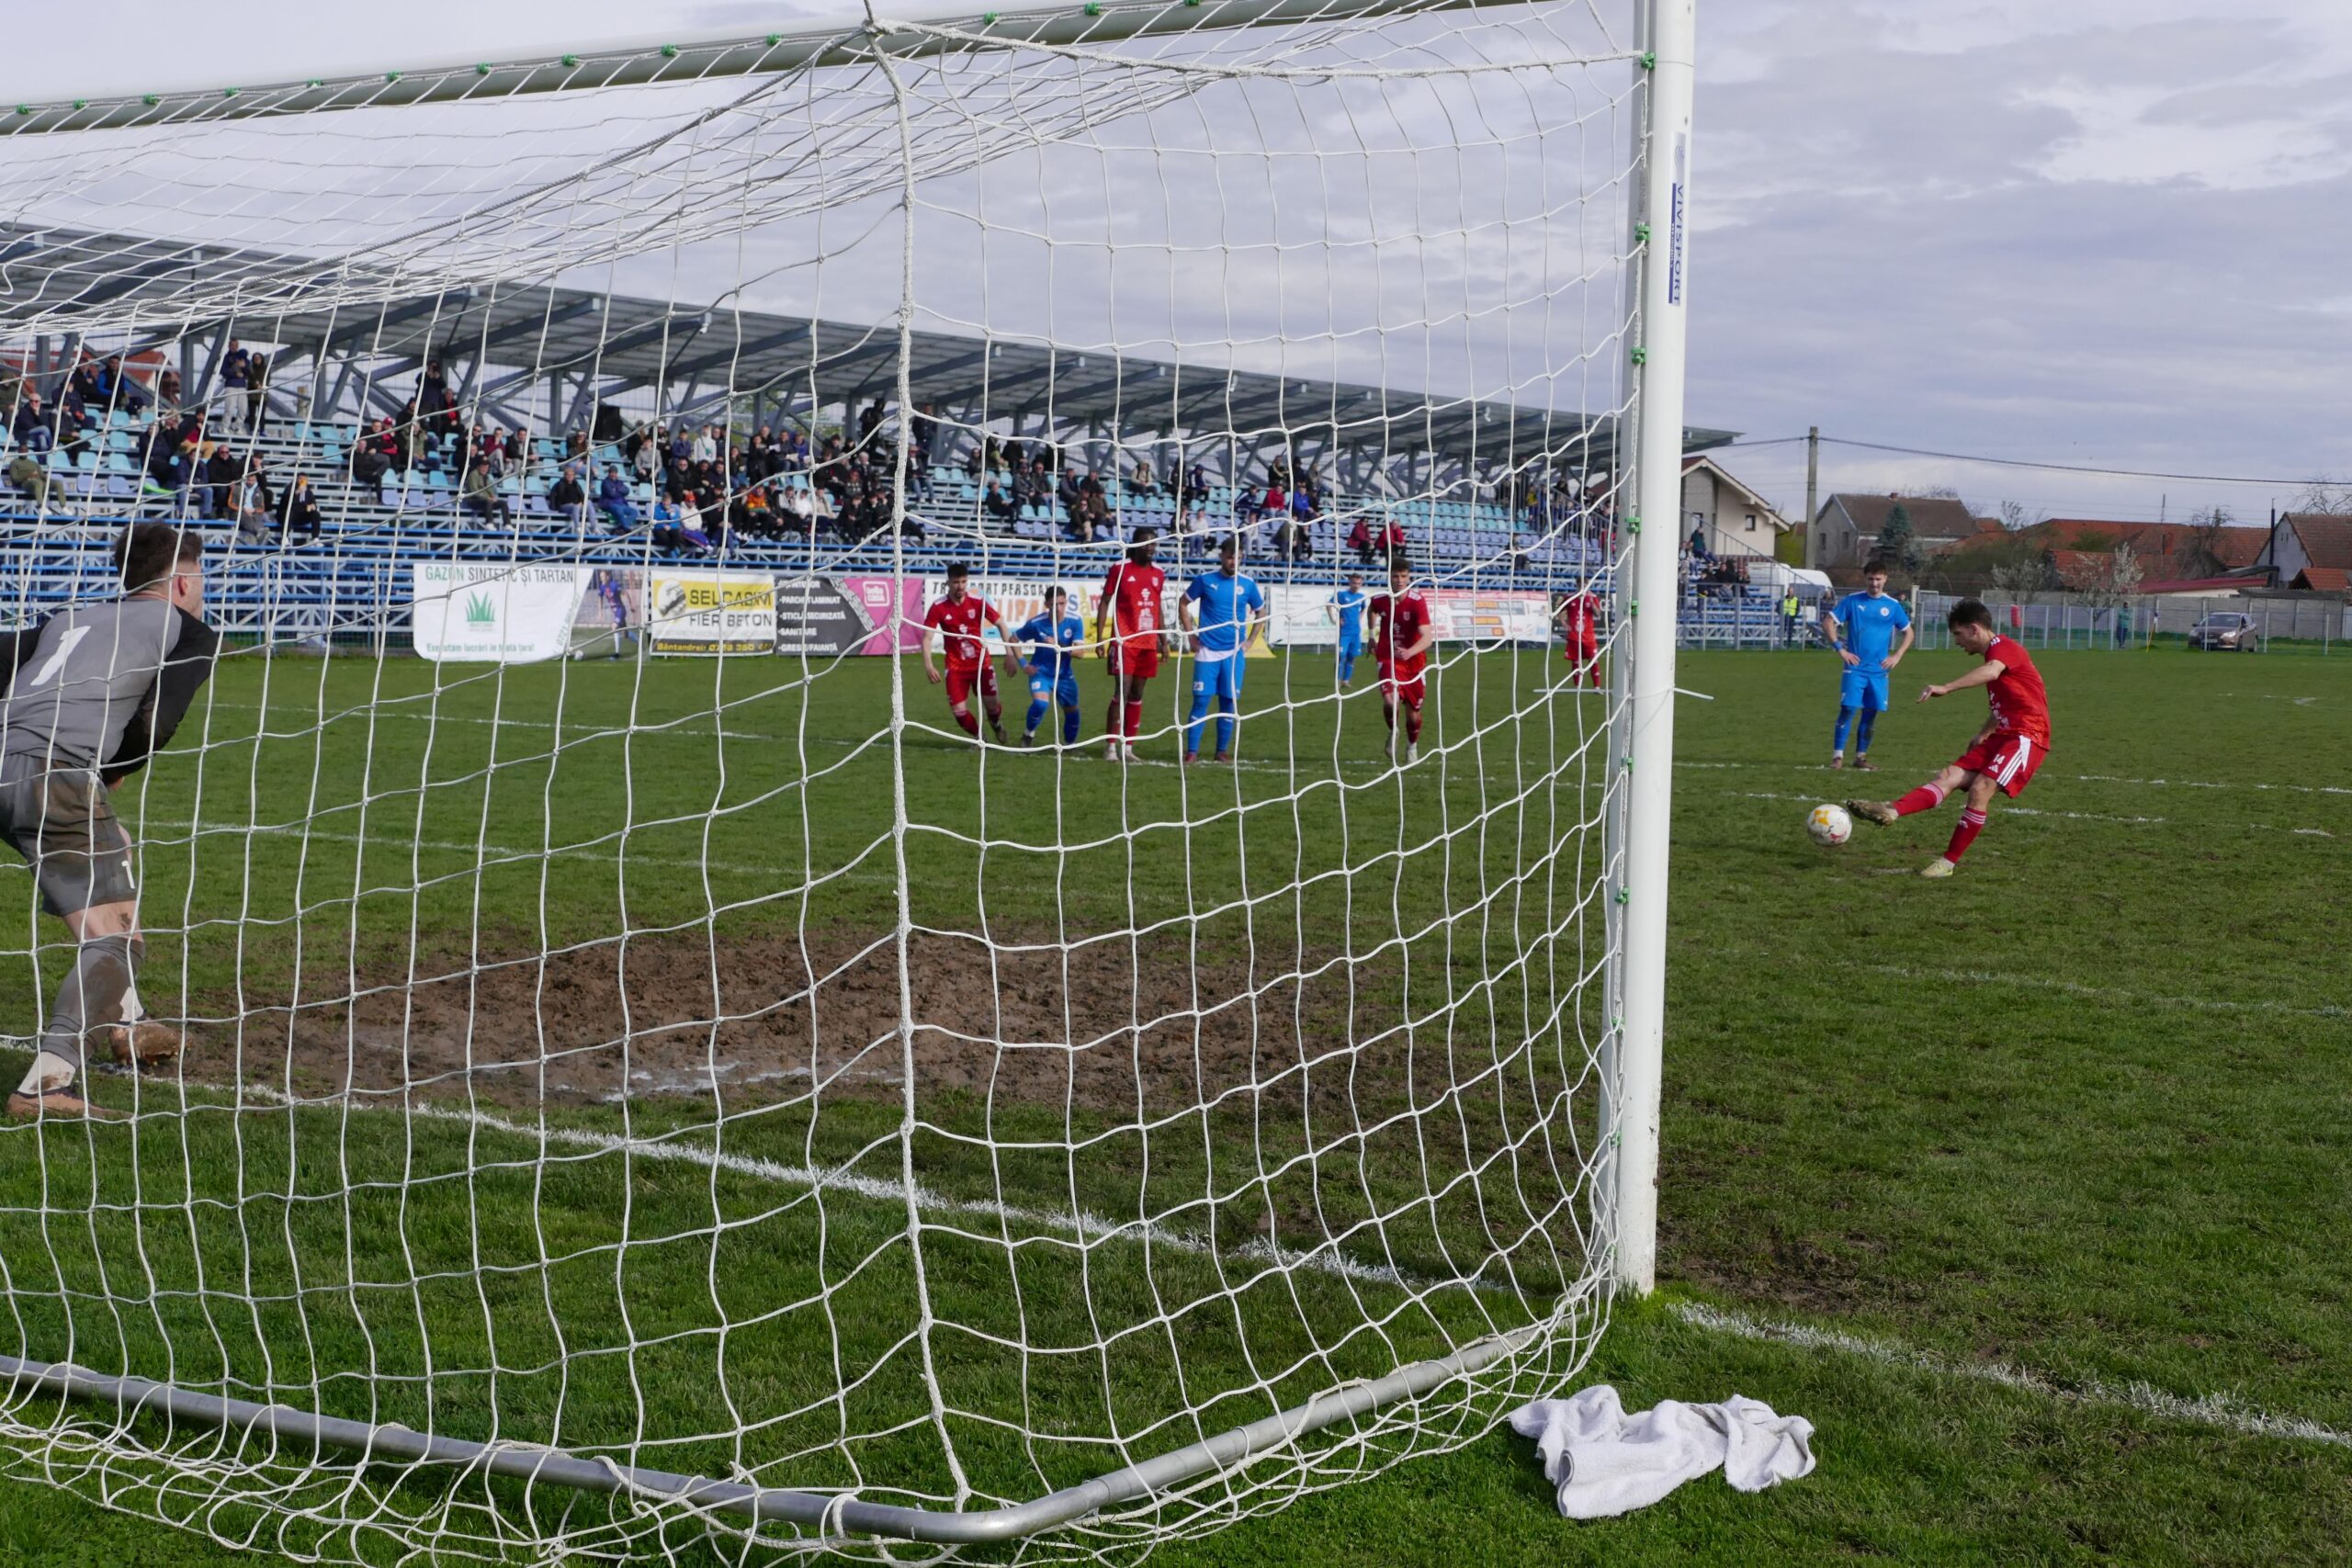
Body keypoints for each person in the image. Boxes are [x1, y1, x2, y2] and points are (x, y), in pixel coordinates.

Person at [1, 525, 219, 1118]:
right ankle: (46, 1083)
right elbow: (158, 722)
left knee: (99, 904)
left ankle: (129, 1025)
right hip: (57, 774)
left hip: (7, 767)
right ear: (181, 581)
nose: (202, 588)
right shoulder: (187, 629)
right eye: (199, 577)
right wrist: (114, 768)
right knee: (119, 939)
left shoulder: (67, 617)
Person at [1848, 598, 2052, 879]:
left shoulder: (2003, 649)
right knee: (1950, 775)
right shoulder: (1996, 656)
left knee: (1980, 789)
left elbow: (1992, 672)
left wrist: (1947, 687)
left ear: (1974, 629)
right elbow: (2008, 704)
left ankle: (1947, 863)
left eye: (1958, 634)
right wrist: (1983, 733)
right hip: (2004, 734)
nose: (1957, 641)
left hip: (2027, 735)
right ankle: (1892, 810)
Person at [1179, 536, 1268, 765]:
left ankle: (1221, 751)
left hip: (1233, 653)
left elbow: (1261, 611)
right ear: (1221, 557)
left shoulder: (1247, 584)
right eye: (1229, 557)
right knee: (1201, 701)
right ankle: (1192, 752)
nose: (1233, 562)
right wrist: (1191, 635)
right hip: (1207, 651)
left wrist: (1250, 641)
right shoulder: (1205, 580)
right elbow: (1183, 603)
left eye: (1237, 558)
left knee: (1229, 703)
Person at [1824, 558, 1913, 772]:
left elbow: (1908, 632)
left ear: (1885, 579)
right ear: (1866, 579)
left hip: (1879, 670)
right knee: (1848, 708)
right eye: (1871, 579)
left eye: (1878, 579)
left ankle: (1860, 757)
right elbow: (1828, 622)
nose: (1874, 583)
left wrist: (1897, 655)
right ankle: (1837, 756)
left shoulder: (1892, 606)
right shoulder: (1852, 601)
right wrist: (1840, 649)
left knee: (1871, 712)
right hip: (1855, 667)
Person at [1094, 528, 1171, 762]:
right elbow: (1105, 602)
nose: (1150, 547)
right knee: (1122, 692)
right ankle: (1110, 747)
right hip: (1124, 641)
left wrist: (1163, 639)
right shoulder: (1120, 569)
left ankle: (1128, 748)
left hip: (1148, 643)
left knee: (1138, 693)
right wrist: (1100, 638)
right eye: (1146, 543)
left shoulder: (1159, 573)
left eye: (1154, 543)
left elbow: (1157, 606)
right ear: (1135, 544)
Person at [922, 563, 1008, 745]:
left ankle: (996, 724)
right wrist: (929, 665)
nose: (960, 586)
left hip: (981, 664)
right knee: (959, 712)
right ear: (948, 583)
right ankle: (980, 737)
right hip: (955, 666)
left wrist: (1009, 654)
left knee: (992, 705)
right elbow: (927, 637)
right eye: (956, 582)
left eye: (963, 581)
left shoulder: (977, 603)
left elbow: (1001, 623)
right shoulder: (939, 607)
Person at [1368, 554, 1436, 765]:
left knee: (1413, 715)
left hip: (1414, 663)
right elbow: (1372, 609)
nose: (1399, 580)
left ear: (1409, 578)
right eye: (1395, 576)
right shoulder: (1381, 599)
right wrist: (1371, 636)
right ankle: (1393, 730)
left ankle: (1412, 745)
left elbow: (1427, 638)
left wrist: (1410, 651)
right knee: (1390, 700)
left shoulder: (1417, 602)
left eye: (1403, 576)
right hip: (1388, 657)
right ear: (1389, 577)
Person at [1013, 586, 1086, 748]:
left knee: (1072, 712)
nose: (1059, 608)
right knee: (1041, 704)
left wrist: (1058, 645)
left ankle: (1069, 745)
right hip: (1041, 673)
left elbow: (1080, 653)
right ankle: (1028, 734)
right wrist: (1023, 664)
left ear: (1066, 602)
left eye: (1061, 603)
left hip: (1064, 675)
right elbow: (1013, 639)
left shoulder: (1074, 621)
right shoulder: (1036, 623)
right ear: (1047, 604)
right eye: (1054, 604)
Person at [1327, 572, 1368, 688]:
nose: (1356, 585)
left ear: (1361, 584)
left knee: (1352, 656)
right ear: (1350, 583)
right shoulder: (1342, 595)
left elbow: (1364, 608)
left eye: (1359, 583)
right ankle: (1337, 680)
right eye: (1354, 583)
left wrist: (1359, 619)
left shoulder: (1361, 597)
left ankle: (1346, 681)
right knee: (1341, 655)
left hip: (1355, 632)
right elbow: (1329, 605)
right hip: (1344, 632)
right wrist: (1334, 620)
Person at [1556, 585, 1602, 689]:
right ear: (1577, 585)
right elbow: (1558, 609)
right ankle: (1577, 686)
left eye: (1585, 587)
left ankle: (1597, 687)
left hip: (1589, 636)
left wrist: (1591, 603)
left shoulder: (1592, 597)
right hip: (1574, 635)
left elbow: (1598, 613)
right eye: (1581, 587)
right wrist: (1564, 623)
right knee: (1576, 660)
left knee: (1593, 660)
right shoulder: (1570, 597)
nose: (1583, 589)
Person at [595, 466, 639, 532]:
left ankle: (621, 527)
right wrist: (620, 491)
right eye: (612, 473)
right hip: (610, 504)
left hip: (622, 504)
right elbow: (611, 494)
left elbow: (627, 491)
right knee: (619, 510)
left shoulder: (619, 482)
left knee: (634, 512)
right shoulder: (605, 482)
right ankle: (627, 528)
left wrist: (617, 489)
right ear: (609, 473)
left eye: (615, 473)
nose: (613, 475)